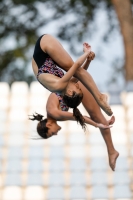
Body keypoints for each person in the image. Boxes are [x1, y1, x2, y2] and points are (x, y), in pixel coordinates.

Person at [30, 54, 119, 171]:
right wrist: (87, 62)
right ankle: (111, 150)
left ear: (48, 125)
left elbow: (78, 117)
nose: (55, 134)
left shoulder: (53, 113)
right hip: (75, 84)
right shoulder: (54, 112)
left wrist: (97, 124)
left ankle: (112, 151)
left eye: (51, 133)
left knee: (96, 116)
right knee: (97, 117)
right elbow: (76, 77)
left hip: (75, 86)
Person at [32, 34, 113, 116]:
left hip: (43, 46)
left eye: (78, 88)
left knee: (73, 67)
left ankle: (99, 97)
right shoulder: (63, 87)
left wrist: (86, 53)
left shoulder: (58, 86)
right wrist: (88, 61)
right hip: (46, 55)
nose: (78, 85)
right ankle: (99, 97)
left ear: (70, 92)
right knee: (77, 72)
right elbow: (80, 75)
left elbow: (76, 65)